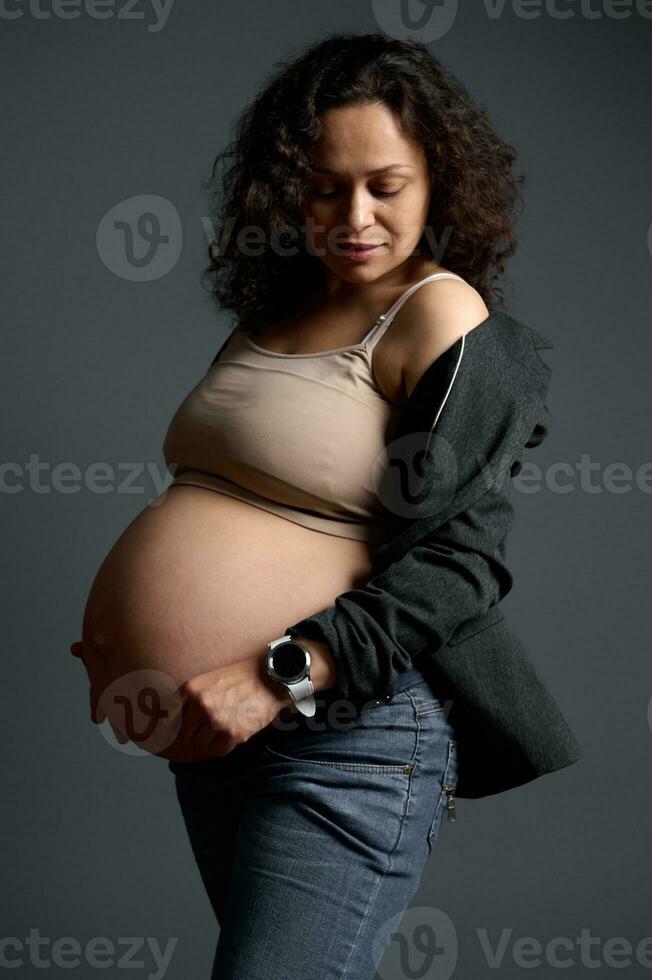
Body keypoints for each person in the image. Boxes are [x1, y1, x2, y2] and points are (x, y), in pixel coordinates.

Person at [72, 32, 581, 980]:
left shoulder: (442, 316)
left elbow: (461, 563)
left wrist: (275, 676)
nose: (354, 215)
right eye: (322, 186)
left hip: (344, 734)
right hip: (217, 741)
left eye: (384, 185)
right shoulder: (273, 314)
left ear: (439, 181)